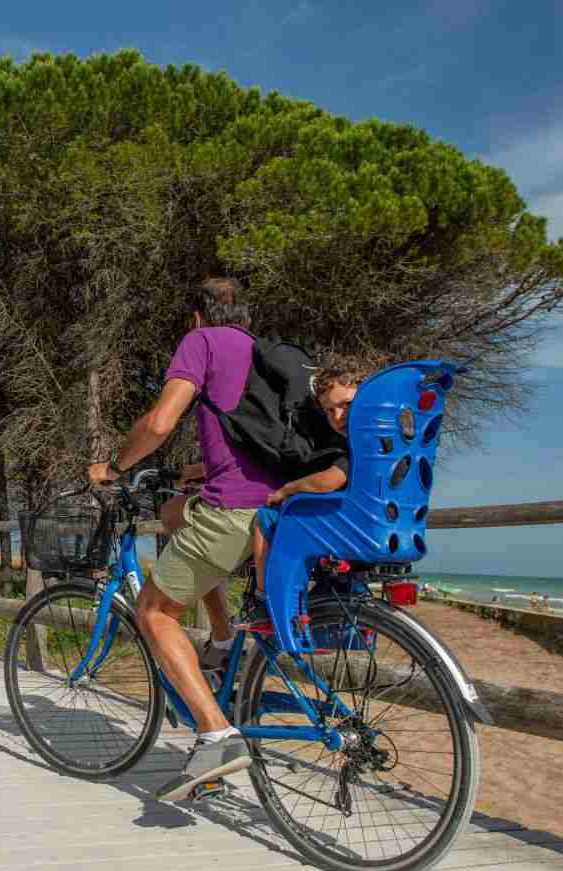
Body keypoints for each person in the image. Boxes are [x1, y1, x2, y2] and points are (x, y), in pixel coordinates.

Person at [88, 277, 279, 802]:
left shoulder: (202, 342)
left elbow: (161, 420)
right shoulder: (264, 353)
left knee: (153, 612)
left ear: (197, 317)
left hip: (234, 510)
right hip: (278, 505)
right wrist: (195, 470)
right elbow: (254, 443)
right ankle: (221, 637)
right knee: (175, 513)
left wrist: (115, 465)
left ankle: (217, 735)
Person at [249, 357, 371, 604]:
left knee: (265, 519)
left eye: (347, 404)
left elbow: (330, 481)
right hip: (374, 525)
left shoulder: (363, 445)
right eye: (329, 410)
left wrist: (287, 489)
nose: (338, 417)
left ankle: (266, 597)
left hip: (351, 526)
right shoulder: (388, 438)